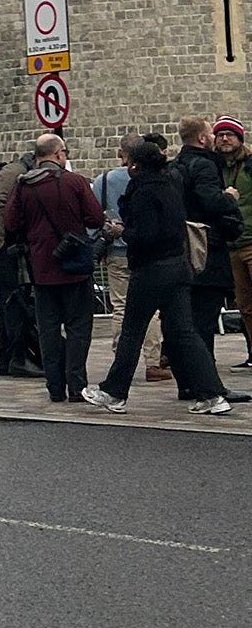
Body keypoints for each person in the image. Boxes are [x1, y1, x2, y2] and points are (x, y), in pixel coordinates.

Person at [85, 135, 234, 416]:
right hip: (177, 266)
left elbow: (146, 234)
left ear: (136, 165)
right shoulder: (171, 185)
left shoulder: (143, 191)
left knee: (132, 330)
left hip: (151, 269)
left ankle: (114, 392)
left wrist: (121, 232)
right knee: (184, 332)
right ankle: (212, 394)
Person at [2, 133, 105, 402]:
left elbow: (11, 222)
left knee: (48, 329)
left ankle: (55, 386)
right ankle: (77, 385)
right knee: (78, 328)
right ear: (59, 154)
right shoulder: (75, 182)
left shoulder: (23, 186)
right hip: (74, 265)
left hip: (41, 267)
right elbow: (95, 217)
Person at [175, 116, 246, 391]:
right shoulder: (203, 164)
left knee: (185, 322)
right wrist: (229, 197)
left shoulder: (177, 165)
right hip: (206, 251)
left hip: (183, 251)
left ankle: (188, 383)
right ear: (203, 138)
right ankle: (208, 385)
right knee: (204, 321)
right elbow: (211, 201)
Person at [92, 148, 166, 382]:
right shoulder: (155, 181)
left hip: (116, 251)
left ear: (120, 153)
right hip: (144, 254)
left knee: (121, 307)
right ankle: (153, 363)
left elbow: (94, 218)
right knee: (151, 310)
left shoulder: (104, 181)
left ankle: (120, 360)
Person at [0, 148, 44, 379]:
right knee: (15, 300)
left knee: (10, 300)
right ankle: (18, 358)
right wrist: (1, 239)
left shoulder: (21, 171)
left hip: (1, 246)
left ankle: (8, 360)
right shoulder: (15, 171)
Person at [215, 116, 252, 370]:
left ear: (240, 138)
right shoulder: (214, 167)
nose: (225, 139)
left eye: (230, 134)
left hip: (251, 242)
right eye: (220, 135)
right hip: (232, 246)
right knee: (245, 306)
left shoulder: (250, 165)